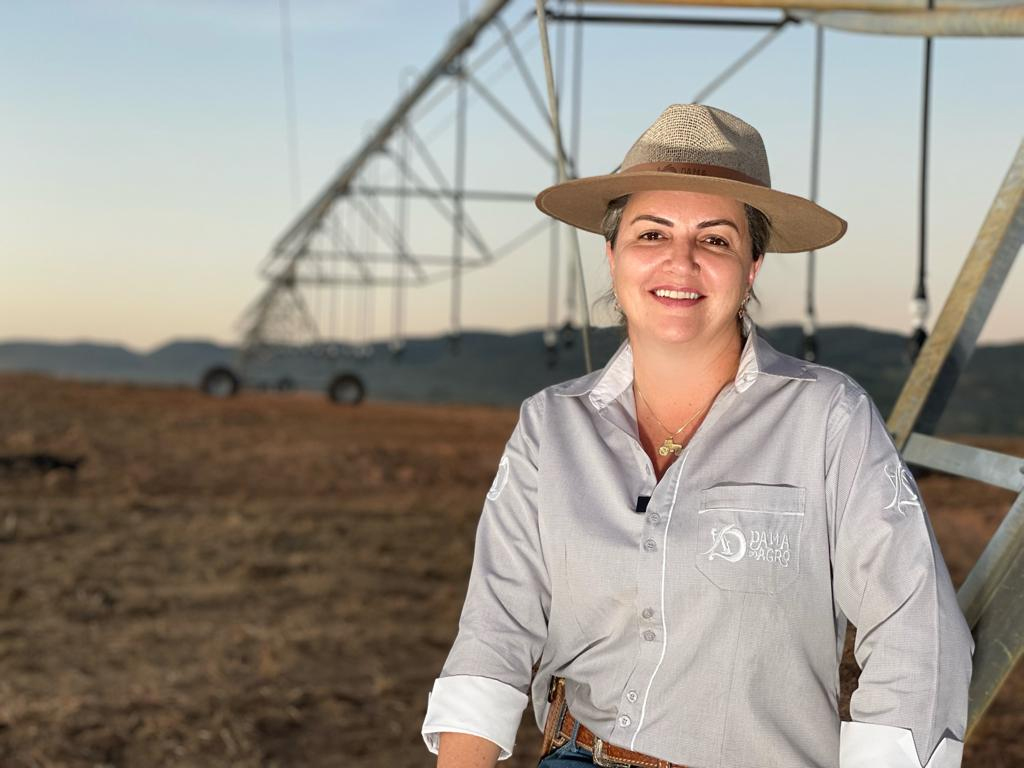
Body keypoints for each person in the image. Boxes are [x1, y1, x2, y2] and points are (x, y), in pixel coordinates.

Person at [420, 104, 973, 768]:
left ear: (752, 267)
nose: (679, 262)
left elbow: (916, 627)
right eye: (652, 235)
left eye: (715, 240)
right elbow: (496, 625)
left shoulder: (828, 416)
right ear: (613, 254)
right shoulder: (551, 424)